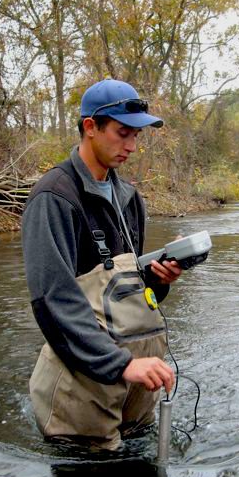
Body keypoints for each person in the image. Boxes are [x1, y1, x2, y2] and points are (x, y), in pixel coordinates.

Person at [22, 78, 182, 449]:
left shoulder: (130, 199)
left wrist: (160, 280)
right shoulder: (53, 197)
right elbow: (52, 299)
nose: (131, 146)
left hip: (133, 390)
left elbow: (132, 294)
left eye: (136, 136)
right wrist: (120, 365)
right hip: (82, 395)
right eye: (122, 133)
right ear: (90, 127)